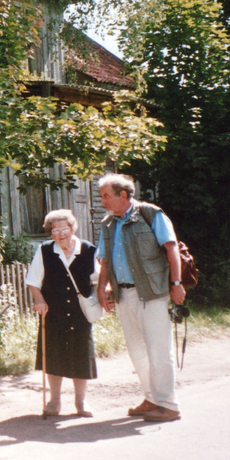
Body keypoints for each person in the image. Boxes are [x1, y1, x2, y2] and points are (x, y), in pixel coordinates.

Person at [96, 173, 185, 423]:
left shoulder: (151, 214)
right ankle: (151, 398)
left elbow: (171, 248)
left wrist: (176, 284)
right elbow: (104, 260)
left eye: (105, 195)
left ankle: (168, 404)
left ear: (122, 195)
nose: (102, 200)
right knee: (137, 352)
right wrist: (103, 288)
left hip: (152, 293)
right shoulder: (108, 223)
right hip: (124, 295)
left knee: (158, 350)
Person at [26, 209, 99, 417]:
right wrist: (39, 300)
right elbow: (33, 281)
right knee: (54, 354)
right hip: (54, 309)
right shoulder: (44, 251)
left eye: (63, 228)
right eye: (54, 230)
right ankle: (54, 401)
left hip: (79, 311)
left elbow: (99, 278)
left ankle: (81, 402)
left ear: (72, 228)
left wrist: (106, 293)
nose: (59, 234)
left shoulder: (88, 250)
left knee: (81, 354)